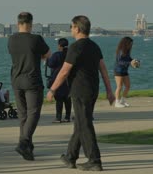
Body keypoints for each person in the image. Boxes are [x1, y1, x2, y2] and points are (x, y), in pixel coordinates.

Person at [47, 15, 115, 171]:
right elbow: (103, 69)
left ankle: (94, 160)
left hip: (80, 90)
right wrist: (109, 91)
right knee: (80, 123)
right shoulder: (94, 46)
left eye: (71, 27)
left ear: (77, 28)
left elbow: (64, 71)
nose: (71, 29)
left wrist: (52, 89)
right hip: (93, 90)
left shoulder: (75, 47)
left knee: (85, 124)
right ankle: (70, 157)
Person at [8, 12, 50, 161]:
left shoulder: (11, 39)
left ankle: (27, 149)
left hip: (16, 79)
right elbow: (47, 54)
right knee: (34, 113)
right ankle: (23, 141)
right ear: (31, 24)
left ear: (18, 23)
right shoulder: (36, 39)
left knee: (23, 115)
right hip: (32, 80)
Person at [46, 38, 72, 123]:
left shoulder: (57, 55)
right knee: (67, 99)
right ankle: (67, 117)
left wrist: (48, 59)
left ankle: (58, 117)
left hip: (58, 79)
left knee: (59, 99)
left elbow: (50, 64)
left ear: (59, 45)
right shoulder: (70, 54)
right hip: (69, 79)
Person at [113, 36, 136, 108]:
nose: (131, 45)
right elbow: (120, 62)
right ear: (126, 43)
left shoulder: (127, 51)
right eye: (130, 44)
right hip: (118, 70)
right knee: (119, 86)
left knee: (128, 86)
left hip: (124, 71)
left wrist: (134, 61)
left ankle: (122, 101)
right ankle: (117, 102)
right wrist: (129, 63)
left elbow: (129, 59)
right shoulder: (121, 51)